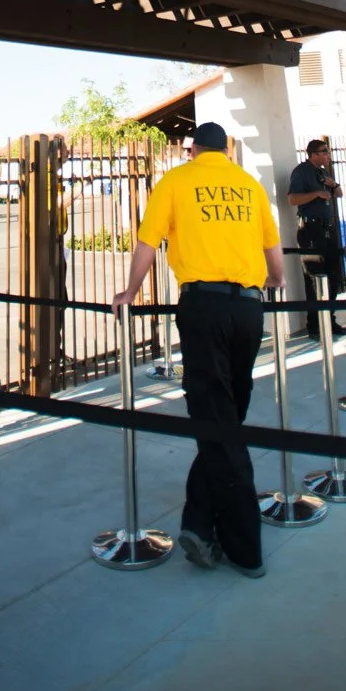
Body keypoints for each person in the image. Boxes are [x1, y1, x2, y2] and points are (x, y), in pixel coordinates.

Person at [112, 121, 284, 579]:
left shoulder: (176, 180)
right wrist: (278, 280)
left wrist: (131, 291)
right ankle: (197, 522)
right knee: (226, 416)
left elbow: (147, 242)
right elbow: (273, 247)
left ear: (193, 150)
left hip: (203, 307)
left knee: (216, 420)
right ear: (225, 150)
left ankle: (244, 547)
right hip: (249, 310)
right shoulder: (248, 185)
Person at [287, 139, 346, 339]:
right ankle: (314, 325)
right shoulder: (301, 171)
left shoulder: (324, 172)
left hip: (327, 227)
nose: (327, 155)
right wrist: (316, 194)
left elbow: (338, 194)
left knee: (333, 274)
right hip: (310, 228)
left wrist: (334, 185)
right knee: (314, 276)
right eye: (324, 152)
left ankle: (329, 319)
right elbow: (292, 199)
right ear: (313, 154)